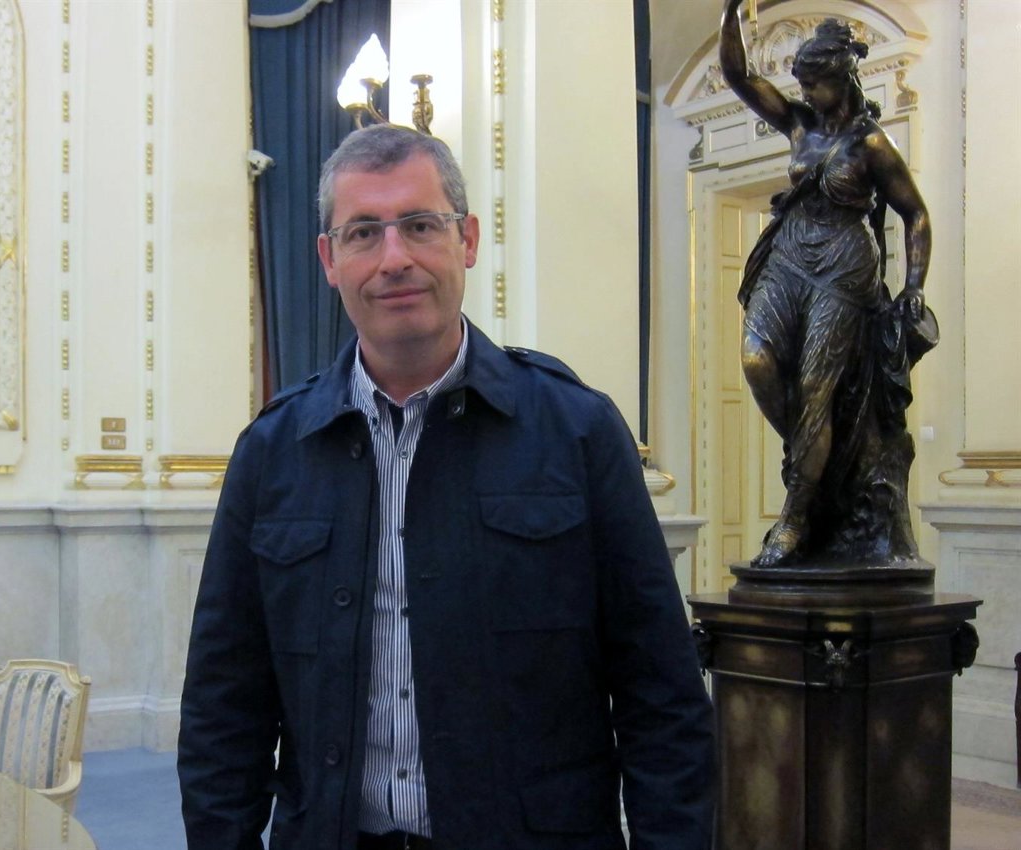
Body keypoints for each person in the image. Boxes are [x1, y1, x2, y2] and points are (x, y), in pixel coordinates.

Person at [178, 124, 714, 850]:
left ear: (466, 239)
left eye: (420, 225)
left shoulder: (577, 431)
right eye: (363, 232)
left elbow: (662, 694)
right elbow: (224, 705)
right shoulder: (272, 453)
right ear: (330, 260)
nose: (394, 258)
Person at [719, 1, 935, 568]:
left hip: (844, 265)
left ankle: (797, 515)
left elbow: (915, 214)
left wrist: (914, 286)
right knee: (757, 360)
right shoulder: (798, 124)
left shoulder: (871, 145)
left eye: (814, 85)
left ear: (842, 80)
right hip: (789, 256)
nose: (807, 94)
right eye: (803, 85)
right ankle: (818, 456)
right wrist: (730, 10)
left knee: (817, 389)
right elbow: (739, 76)